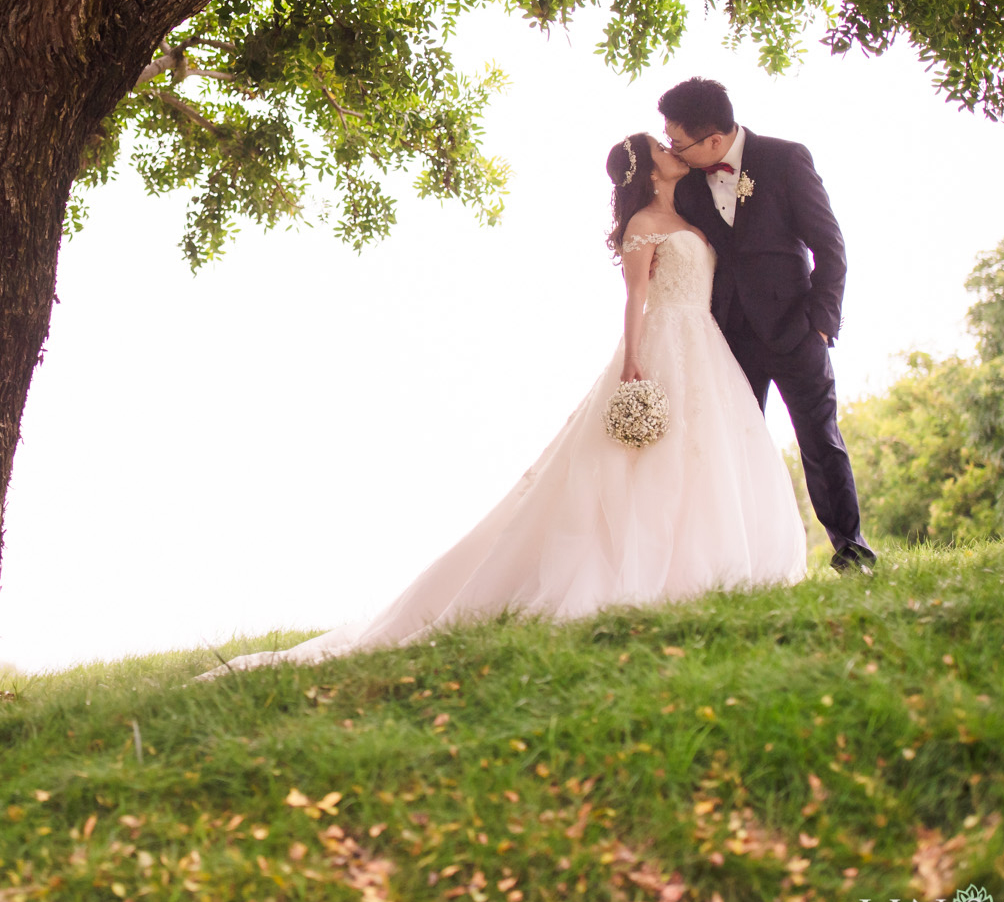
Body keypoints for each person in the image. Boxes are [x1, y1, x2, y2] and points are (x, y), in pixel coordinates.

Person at [205, 133, 807, 676]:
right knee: (646, 462)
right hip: (660, 344)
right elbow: (635, 299)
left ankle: (719, 566)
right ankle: (651, 572)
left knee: (707, 456)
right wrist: (631, 363)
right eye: (661, 151)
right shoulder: (643, 225)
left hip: (705, 344)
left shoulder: (688, 213)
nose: (673, 152)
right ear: (647, 174)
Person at [658, 76, 877, 573]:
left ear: (713, 139)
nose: (672, 147)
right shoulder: (687, 187)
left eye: (678, 140)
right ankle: (747, 560)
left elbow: (830, 245)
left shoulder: (786, 159)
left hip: (796, 330)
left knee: (820, 441)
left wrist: (821, 323)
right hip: (728, 338)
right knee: (736, 448)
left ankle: (851, 549)